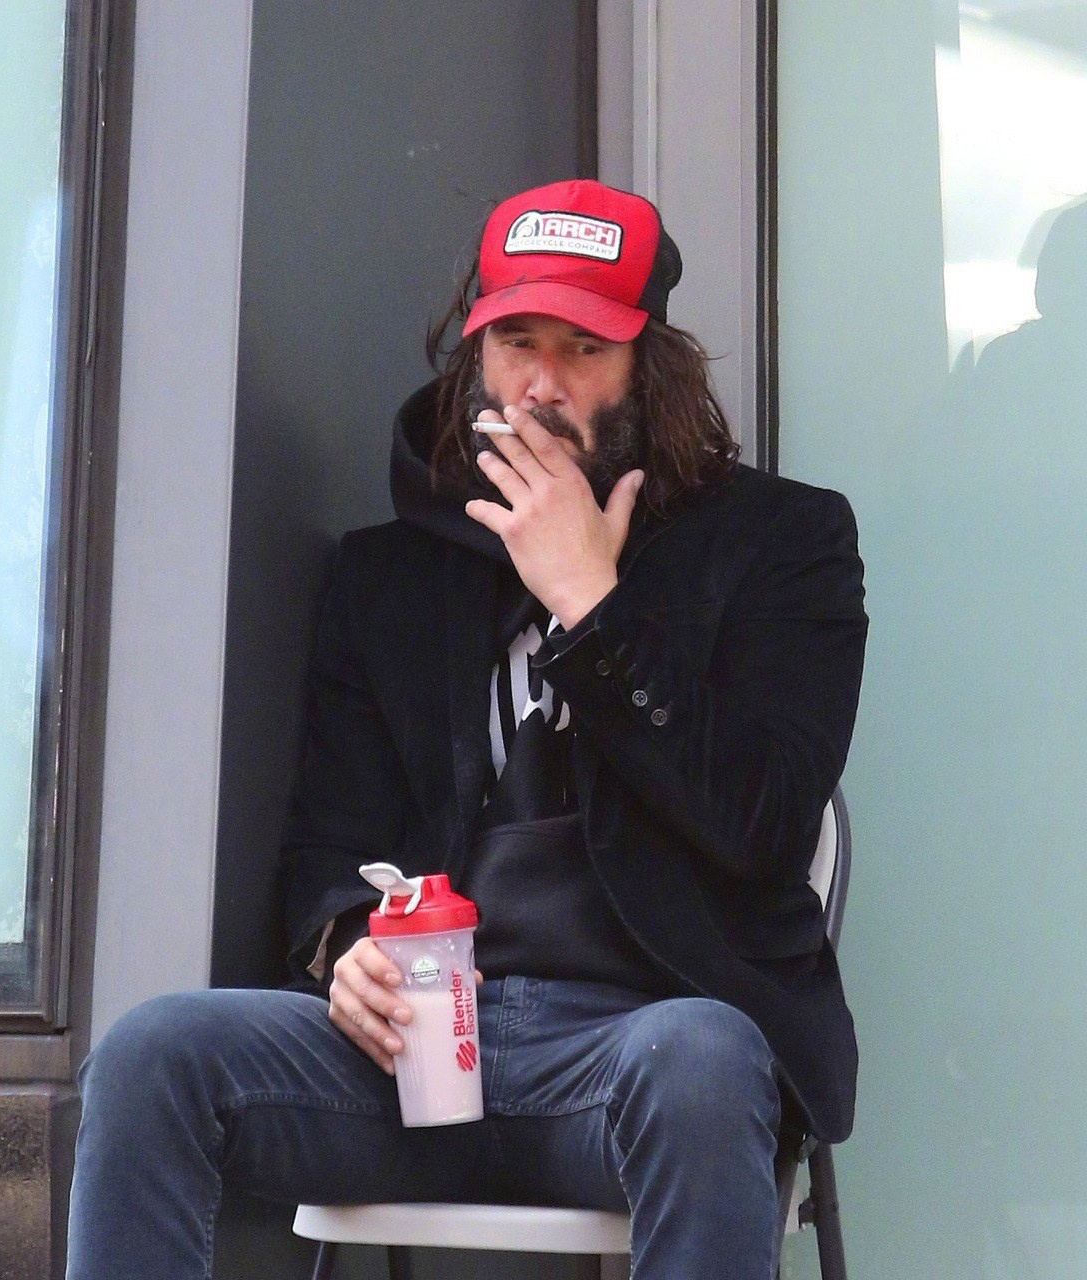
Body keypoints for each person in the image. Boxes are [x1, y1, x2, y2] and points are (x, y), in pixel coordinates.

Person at [66, 179, 867, 1280]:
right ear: (473, 351)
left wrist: (593, 607)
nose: (541, 385)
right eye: (515, 342)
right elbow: (328, 845)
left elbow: (765, 824)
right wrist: (347, 947)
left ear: (650, 365)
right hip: (418, 1053)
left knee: (704, 1056)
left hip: (641, 1045)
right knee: (151, 1054)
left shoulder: (784, 545)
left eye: (584, 347)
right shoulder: (388, 575)